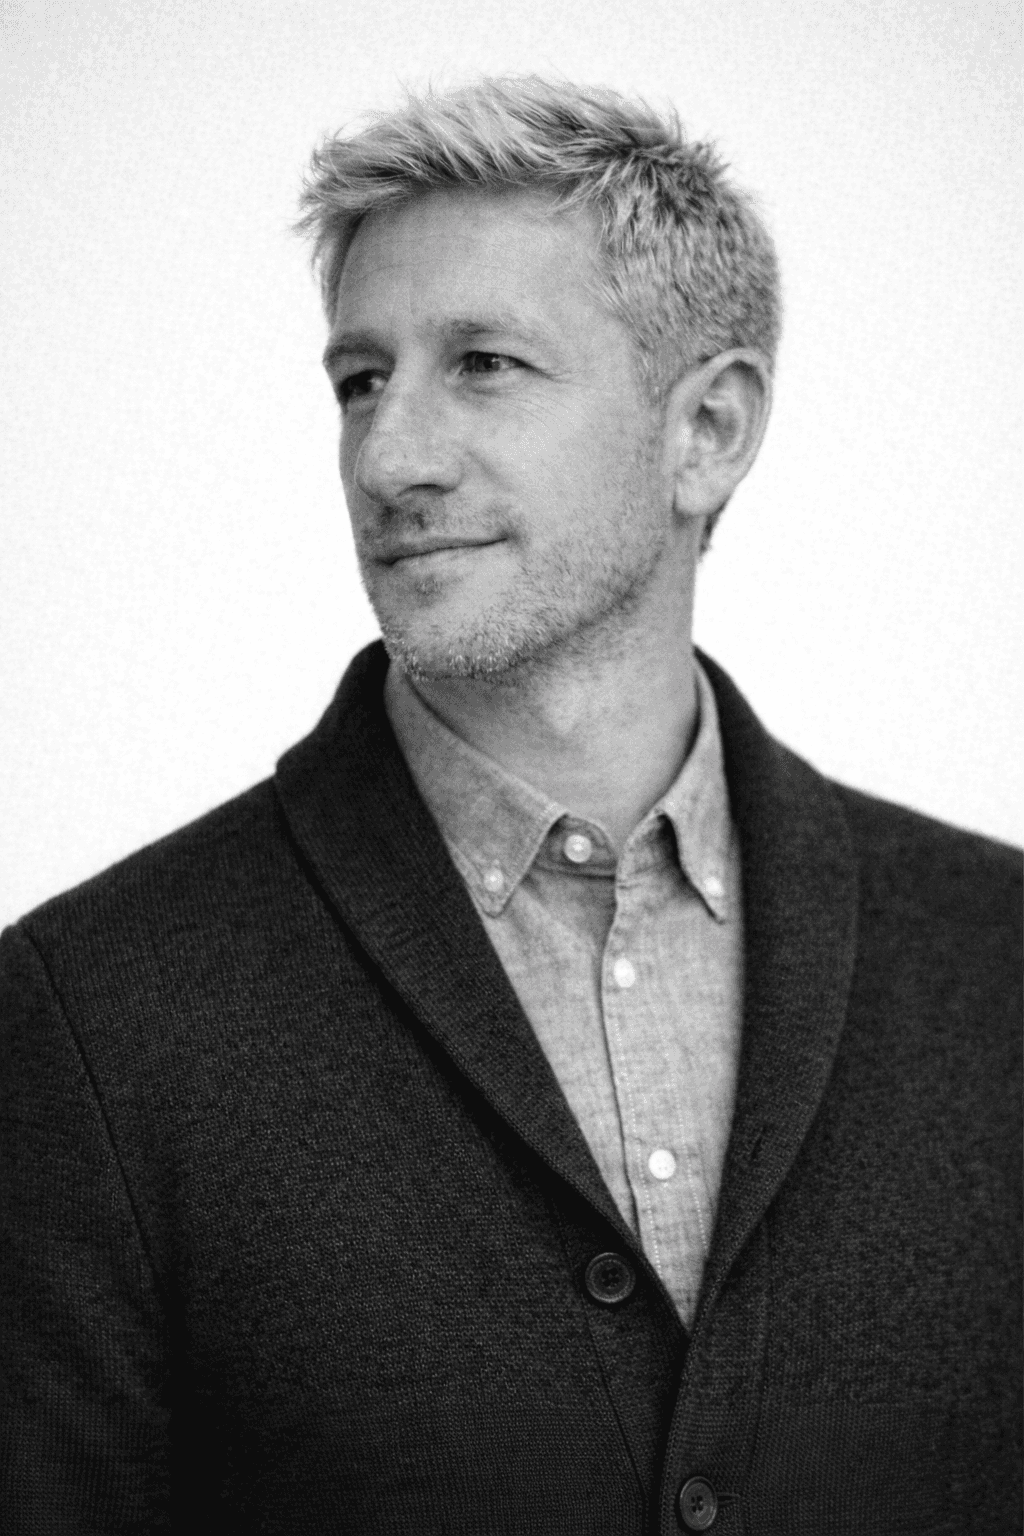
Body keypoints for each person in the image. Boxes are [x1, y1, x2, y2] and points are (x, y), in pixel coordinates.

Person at [1, 77, 1019, 1536]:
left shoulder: (996, 960)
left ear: (710, 431)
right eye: (361, 378)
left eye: (482, 364)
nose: (388, 457)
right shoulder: (91, 1017)